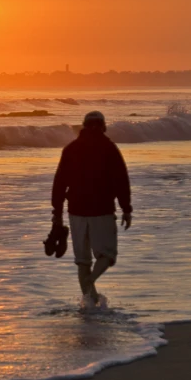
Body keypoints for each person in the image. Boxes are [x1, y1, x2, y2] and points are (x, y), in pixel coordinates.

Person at [51, 111, 133, 304]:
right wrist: (126, 209)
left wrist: (57, 213)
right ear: (103, 126)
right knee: (107, 254)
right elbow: (122, 181)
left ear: (83, 126)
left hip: (76, 210)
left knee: (83, 260)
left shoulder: (71, 149)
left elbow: (59, 184)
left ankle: (89, 303)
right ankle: (91, 283)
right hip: (101, 209)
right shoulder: (109, 148)